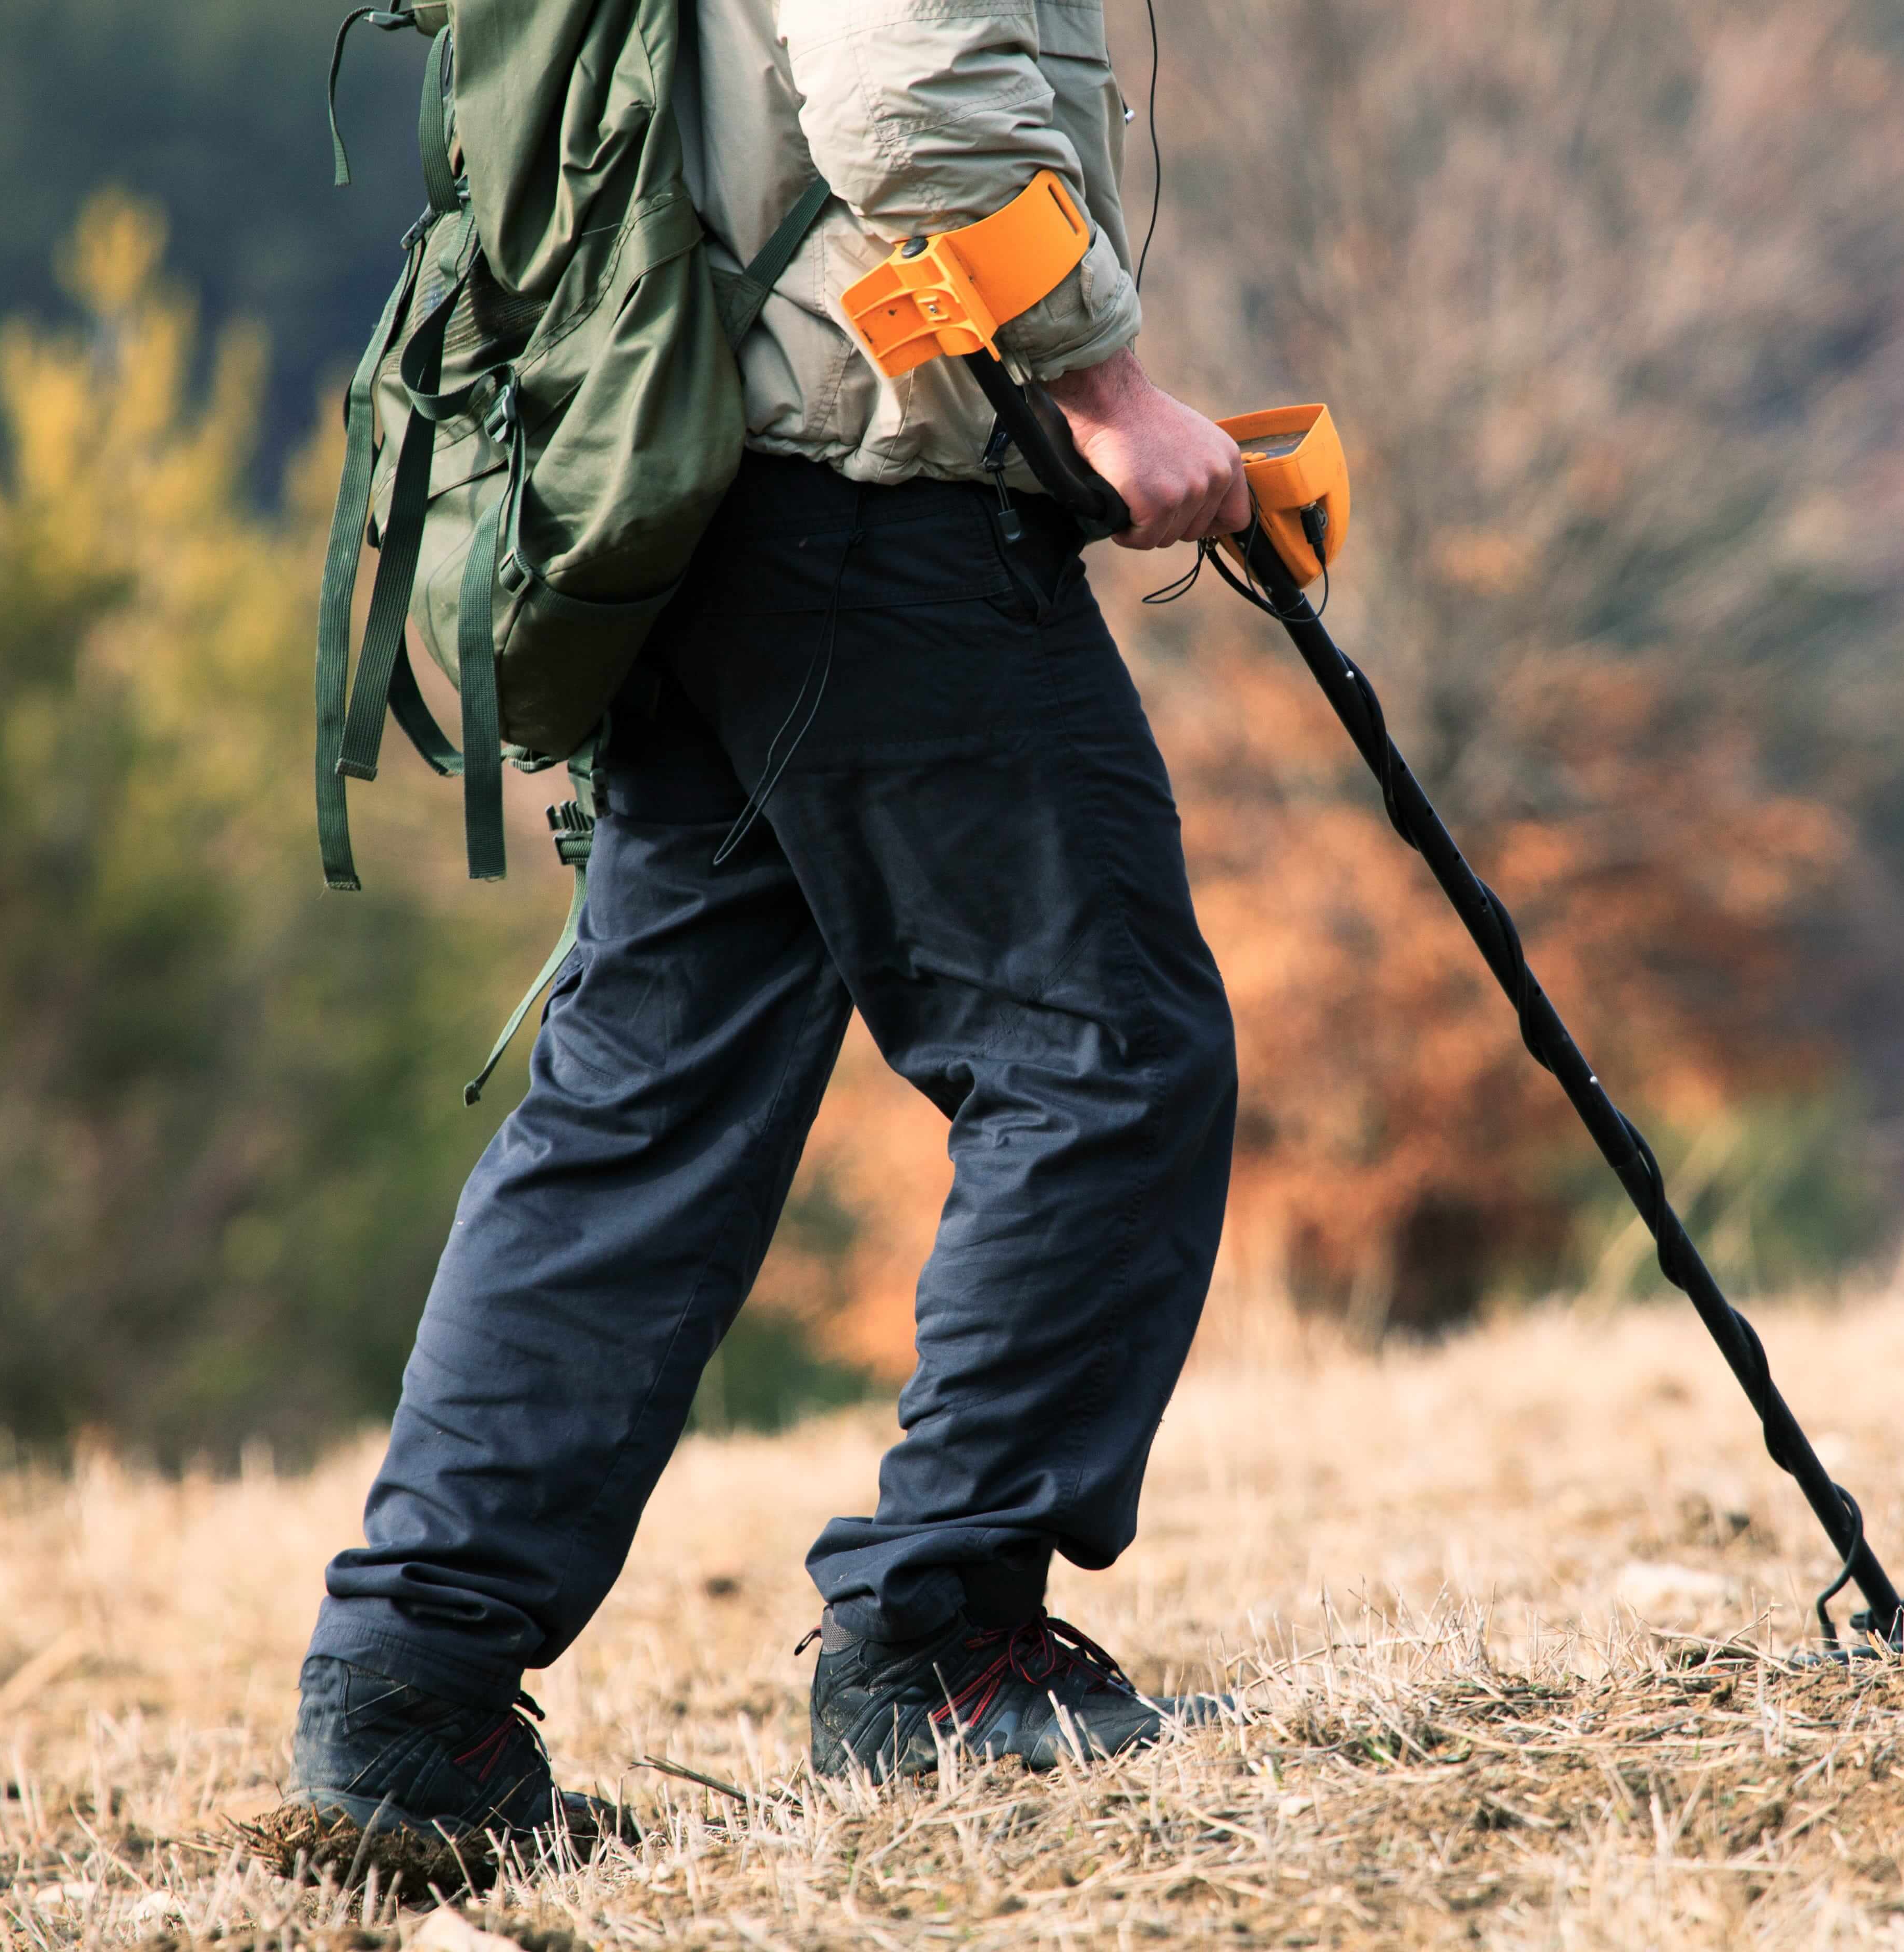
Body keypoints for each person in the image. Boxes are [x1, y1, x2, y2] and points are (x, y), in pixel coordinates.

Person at [288, 0, 1249, 1835]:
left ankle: (414, 1696)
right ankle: (943, 1651)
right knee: (1103, 1051)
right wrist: (1105, 385)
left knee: (641, 1117)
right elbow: (911, 90)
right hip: (863, 490)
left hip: (703, 498)